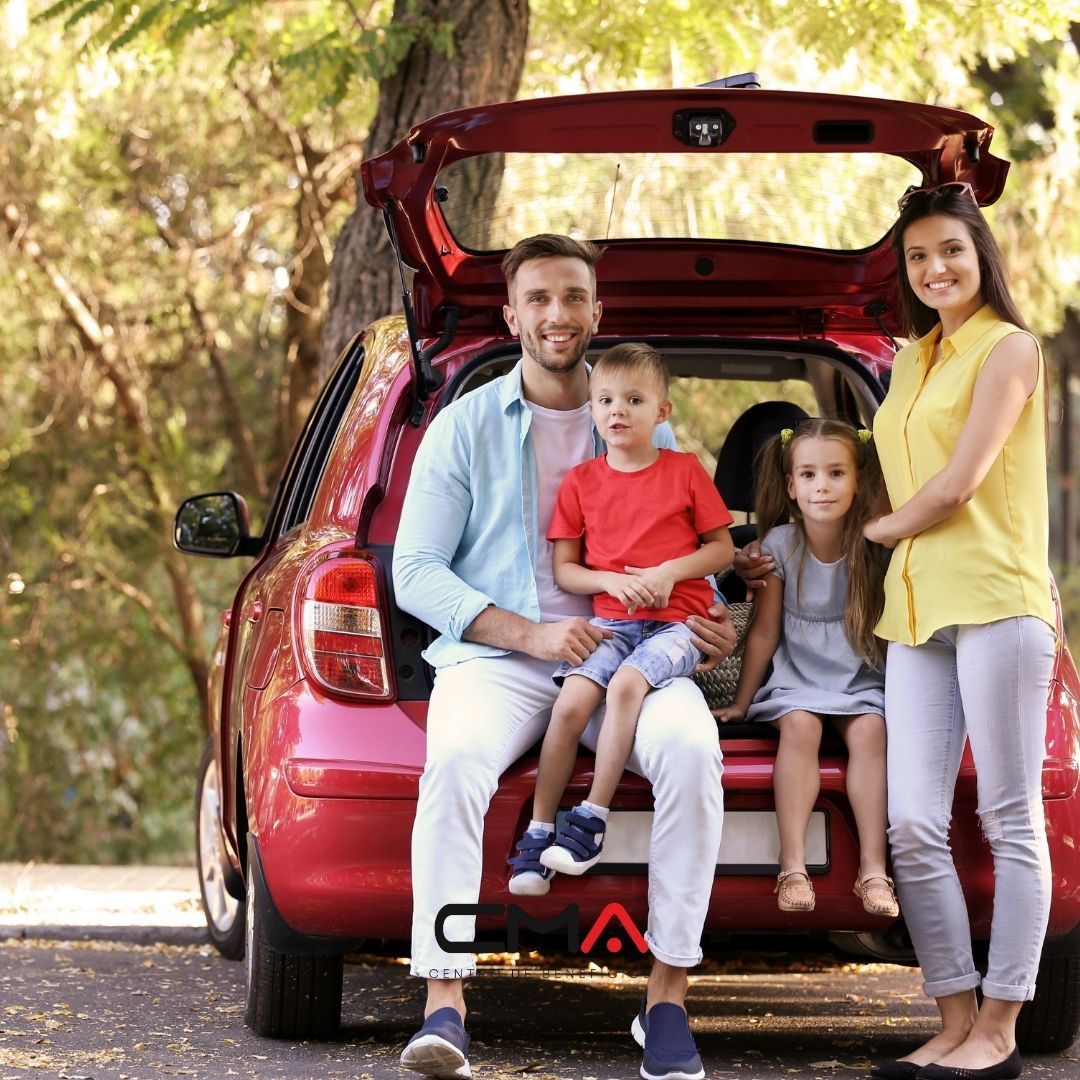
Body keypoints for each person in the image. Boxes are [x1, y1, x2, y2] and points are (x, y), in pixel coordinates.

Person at [393, 234, 737, 1080]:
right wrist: (529, 632)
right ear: (512, 315)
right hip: (504, 659)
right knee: (455, 762)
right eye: (539, 299)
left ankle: (665, 1003)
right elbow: (413, 572)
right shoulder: (463, 428)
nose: (558, 314)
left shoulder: (638, 416)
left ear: (596, 311)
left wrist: (715, 621)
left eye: (574, 297)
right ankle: (445, 1005)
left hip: (637, 652)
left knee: (694, 756)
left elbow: (690, 545)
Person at [860, 183, 1056, 1080]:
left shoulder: (1011, 349)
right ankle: (953, 1019)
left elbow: (958, 483)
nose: (935, 269)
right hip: (915, 611)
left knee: (1010, 816)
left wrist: (876, 532)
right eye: (918, 257)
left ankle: (1002, 1028)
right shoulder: (909, 362)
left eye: (951, 251)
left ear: (981, 257)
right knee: (910, 825)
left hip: (995, 602)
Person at [505, 343, 734, 892]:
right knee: (570, 705)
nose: (618, 411)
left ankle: (591, 820)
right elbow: (566, 569)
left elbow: (722, 550)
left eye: (634, 400)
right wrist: (608, 580)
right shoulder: (581, 483)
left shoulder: (683, 471)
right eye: (605, 399)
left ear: (662, 412)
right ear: (591, 408)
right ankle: (539, 833)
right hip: (614, 623)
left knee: (627, 686)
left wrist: (669, 572)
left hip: (680, 624)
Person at [715, 419, 898, 920]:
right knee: (799, 725)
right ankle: (792, 866)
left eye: (837, 473)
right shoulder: (778, 545)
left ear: (859, 480)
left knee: (871, 732)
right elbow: (765, 632)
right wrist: (742, 702)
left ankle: (873, 870)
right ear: (792, 486)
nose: (823, 485)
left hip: (858, 677)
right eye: (810, 474)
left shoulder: (873, 545)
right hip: (797, 678)